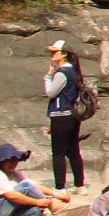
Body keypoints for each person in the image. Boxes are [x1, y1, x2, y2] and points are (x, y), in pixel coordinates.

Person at [42, 40, 87, 190]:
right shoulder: (74, 71)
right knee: (73, 150)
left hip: (61, 116)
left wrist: (48, 77)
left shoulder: (62, 73)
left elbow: (51, 92)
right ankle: (79, 184)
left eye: (55, 52)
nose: (52, 54)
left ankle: (60, 186)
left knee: (58, 153)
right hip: (72, 117)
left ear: (64, 54)